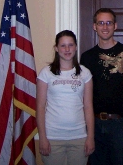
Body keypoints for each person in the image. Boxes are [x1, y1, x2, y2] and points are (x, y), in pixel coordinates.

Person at [80, 8, 123, 165]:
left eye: (109, 23)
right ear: (95, 26)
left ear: (115, 26)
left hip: (121, 125)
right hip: (94, 125)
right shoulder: (86, 58)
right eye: (101, 23)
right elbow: (83, 94)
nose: (105, 27)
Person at [36, 30, 95, 165]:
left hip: (79, 137)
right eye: (63, 46)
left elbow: (88, 106)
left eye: (70, 45)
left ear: (75, 47)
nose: (67, 49)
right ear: (56, 48)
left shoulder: (85, 73)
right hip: (52, 137)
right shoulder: (46, 73)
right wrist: (42, 137)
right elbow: (39, 107)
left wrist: (90, 137)